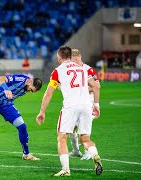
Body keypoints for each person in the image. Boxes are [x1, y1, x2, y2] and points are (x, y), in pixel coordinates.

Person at [36, 46, 103, 176]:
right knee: (85, 139)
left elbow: (48, 93)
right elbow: (95, 85)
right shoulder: (83, 69)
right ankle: (95, 155)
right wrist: (96, 105)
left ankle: (66, 169)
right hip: (86, 106)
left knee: (62, 137)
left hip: (70, 106)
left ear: (59, 58)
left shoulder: (58, 71)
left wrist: (42, 111)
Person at [68, 49, 100, 161]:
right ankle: (76, 151)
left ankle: (88, 153)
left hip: (88, 104)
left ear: (76, 58)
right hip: (77, 104)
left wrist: (81, 89)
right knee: (71, 128)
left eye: (71, 60)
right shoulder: (74, 70)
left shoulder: (88, 70)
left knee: (84, 131)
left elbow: (96, 86)